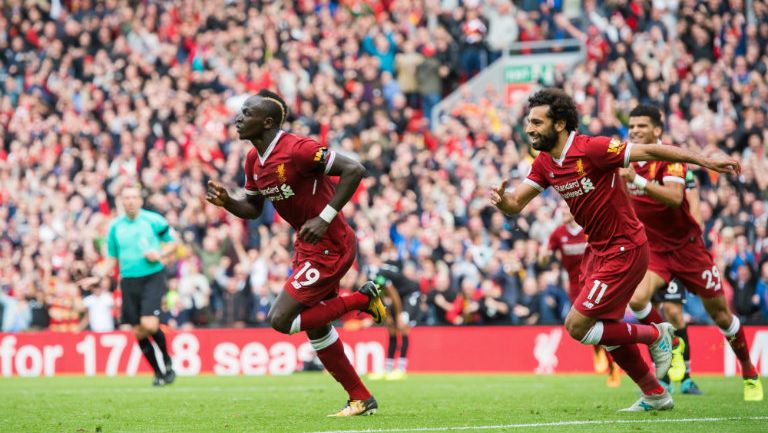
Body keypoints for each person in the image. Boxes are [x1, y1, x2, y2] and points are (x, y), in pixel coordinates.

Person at [490, 88, 740, 411]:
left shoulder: (592, 148)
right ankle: (655, 393)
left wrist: (705, 161)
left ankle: (656, 335)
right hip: (598, 251)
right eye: (528, 122)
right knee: (604, 332)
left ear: (561, 124)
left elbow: (652, 152)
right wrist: (503, 202)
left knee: (577, 326)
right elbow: (516, 203)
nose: (529, 128)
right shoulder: (544, 163)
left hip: (626, 248)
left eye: (537, 122)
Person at [205, 89, 386, 417]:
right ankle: (361, 398)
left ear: (268, 122)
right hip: (308, 246)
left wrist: (324, 217)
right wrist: (227, 202)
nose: (238, 118)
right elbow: (252, 208)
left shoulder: (298, 150)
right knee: (316, 327)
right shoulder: (253, 160)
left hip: (331, 243)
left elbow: (354, 170)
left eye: (247, 113)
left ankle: (362, 300)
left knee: (280, 319)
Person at [620, 104, 763, 402]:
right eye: (631, 127)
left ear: (657, 130)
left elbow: (674, 198)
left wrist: (637, 181)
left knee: (721, 316)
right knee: (637, 300)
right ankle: (666, 342)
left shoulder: (669, 158)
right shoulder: (626, 160)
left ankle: (749, 372)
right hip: (655, 251)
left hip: (688, 249)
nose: (634, 131)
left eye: (641, 126)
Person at [100, 185, 176, 386]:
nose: (131, 201)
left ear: (140, 201)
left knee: (149, 324)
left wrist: (159, 254)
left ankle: (167, 360)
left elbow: (172, 243)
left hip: (152, 276)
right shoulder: (115, 227)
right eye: (127, 197)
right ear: (122, 201)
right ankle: (159, 373)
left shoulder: (153, 220)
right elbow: (111, 258)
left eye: (134, 197)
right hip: (128, 281)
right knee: (138, 331)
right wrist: (98, 274)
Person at [544, 203, 620, 388]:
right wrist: (543, 257)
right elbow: (545, 256)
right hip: (574, 288)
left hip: (594, 283)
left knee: (599, 322)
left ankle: (613, 366)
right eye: (560, 209)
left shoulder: (588, 228)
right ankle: (598, 351)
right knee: (586, 326)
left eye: (564, 209)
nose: (562, 212)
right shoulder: (558, 234)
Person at [368, 257, 420, 381]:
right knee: (391, 329)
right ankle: (388, 368)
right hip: (399, 295)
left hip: (410, 294)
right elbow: (384, 297)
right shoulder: (376, 277)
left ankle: (401, 368)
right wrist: (388, 317)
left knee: (402, 326)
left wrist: (397, 315)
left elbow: (393, 295)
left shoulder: (380, 276)